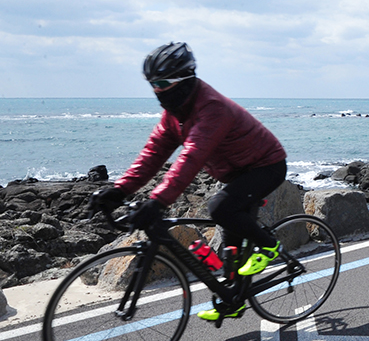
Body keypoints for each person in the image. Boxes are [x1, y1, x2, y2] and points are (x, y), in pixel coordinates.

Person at [92, 42, 287, 322]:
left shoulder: (212, 108)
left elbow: (192, 157)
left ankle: (270, 246)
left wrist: (157, 201)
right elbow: (153, 153)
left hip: (265, 165)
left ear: (182, 79)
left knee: (219, 207)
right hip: (235, 173)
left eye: (161, 82)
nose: (156, 90)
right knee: (230, 249)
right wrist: (119, 189)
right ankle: (234, 301)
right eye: (151, 84)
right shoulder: (176, 113)